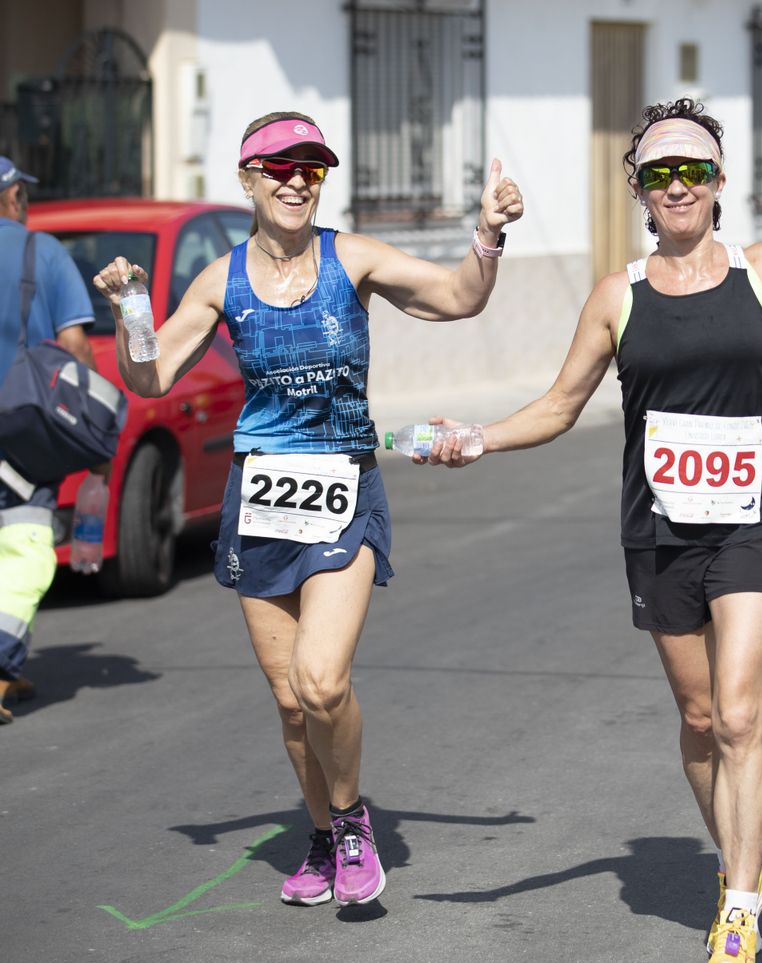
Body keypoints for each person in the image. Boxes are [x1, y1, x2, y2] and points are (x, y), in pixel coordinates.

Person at [421, 97, 762, 963]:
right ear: (640, 193)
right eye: (660, 174)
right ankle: (745, 857)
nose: (679, 185)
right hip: (660, 528)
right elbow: (559, 405)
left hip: (760, 516)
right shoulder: (617, 297)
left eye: (694, 168)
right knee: (700, 721)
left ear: (720, 181)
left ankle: (736, 911)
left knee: (740, 713)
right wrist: (480, 436)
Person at [90, 112, 522, 903]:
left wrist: (487, 233)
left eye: (312, 169)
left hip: (343, 484)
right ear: (248, 178)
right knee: (292, 704)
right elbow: (149, 379)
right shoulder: (219, 281)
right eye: (280, 167)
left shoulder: (349, 258)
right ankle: (321, 840)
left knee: (323, 681)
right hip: (260, 499)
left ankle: (352, 822)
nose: (297, 180)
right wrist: (128, 311)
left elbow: (459, 298)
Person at [0, 155, 98, 724]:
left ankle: (9, 666)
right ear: (13, 197)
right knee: (23, 550)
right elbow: (76, 348)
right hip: (23, 431)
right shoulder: (45, 253)